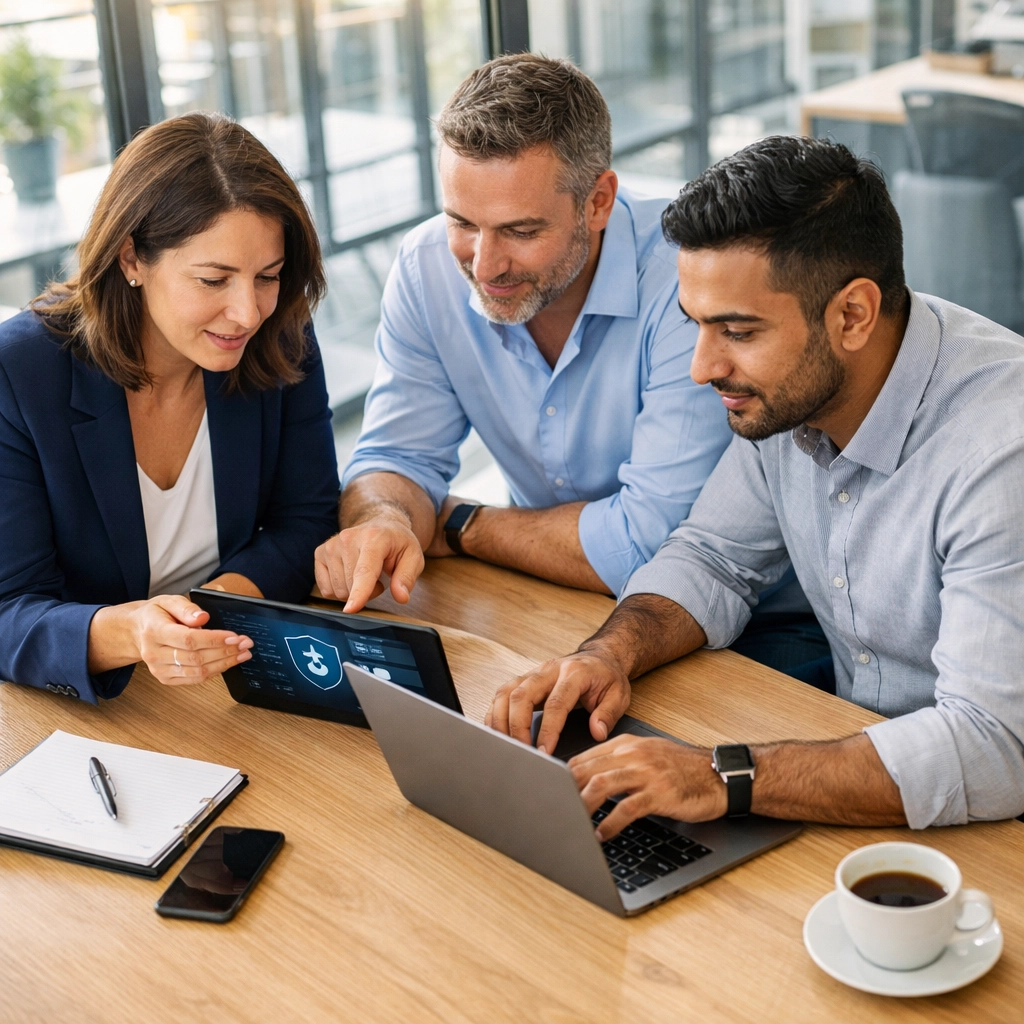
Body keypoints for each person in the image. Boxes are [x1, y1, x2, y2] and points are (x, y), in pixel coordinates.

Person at [488, 135, 1024, 838]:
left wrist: (720, 778)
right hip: (853, 775)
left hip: (988, 825)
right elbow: (712, 557)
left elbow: (992, 745)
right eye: (696, 326)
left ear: (853, 315)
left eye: (737, 331)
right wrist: (607, 655)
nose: (702, 367)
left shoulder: (1001, 451)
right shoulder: (790, 396)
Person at [314, 54, 823, 675]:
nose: (484, 265)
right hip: (549, 597)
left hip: (751, 620)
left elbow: (648, 545)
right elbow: (396, 459)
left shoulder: (688, 280)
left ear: (598, 201)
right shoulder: (426, 268)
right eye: (462, 222)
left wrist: (460, 524)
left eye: (521, 231)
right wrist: (387, 520)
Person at [0, 112, 340, 704]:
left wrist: (206, 614)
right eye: (213, 280)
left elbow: (307, 520)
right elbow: (9, 609)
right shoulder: (21, 373)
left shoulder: (280, 333)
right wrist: (133, 633)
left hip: (228, 674)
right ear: (131, 258)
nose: (248, 313)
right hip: (99, 704)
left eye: (268, 276)